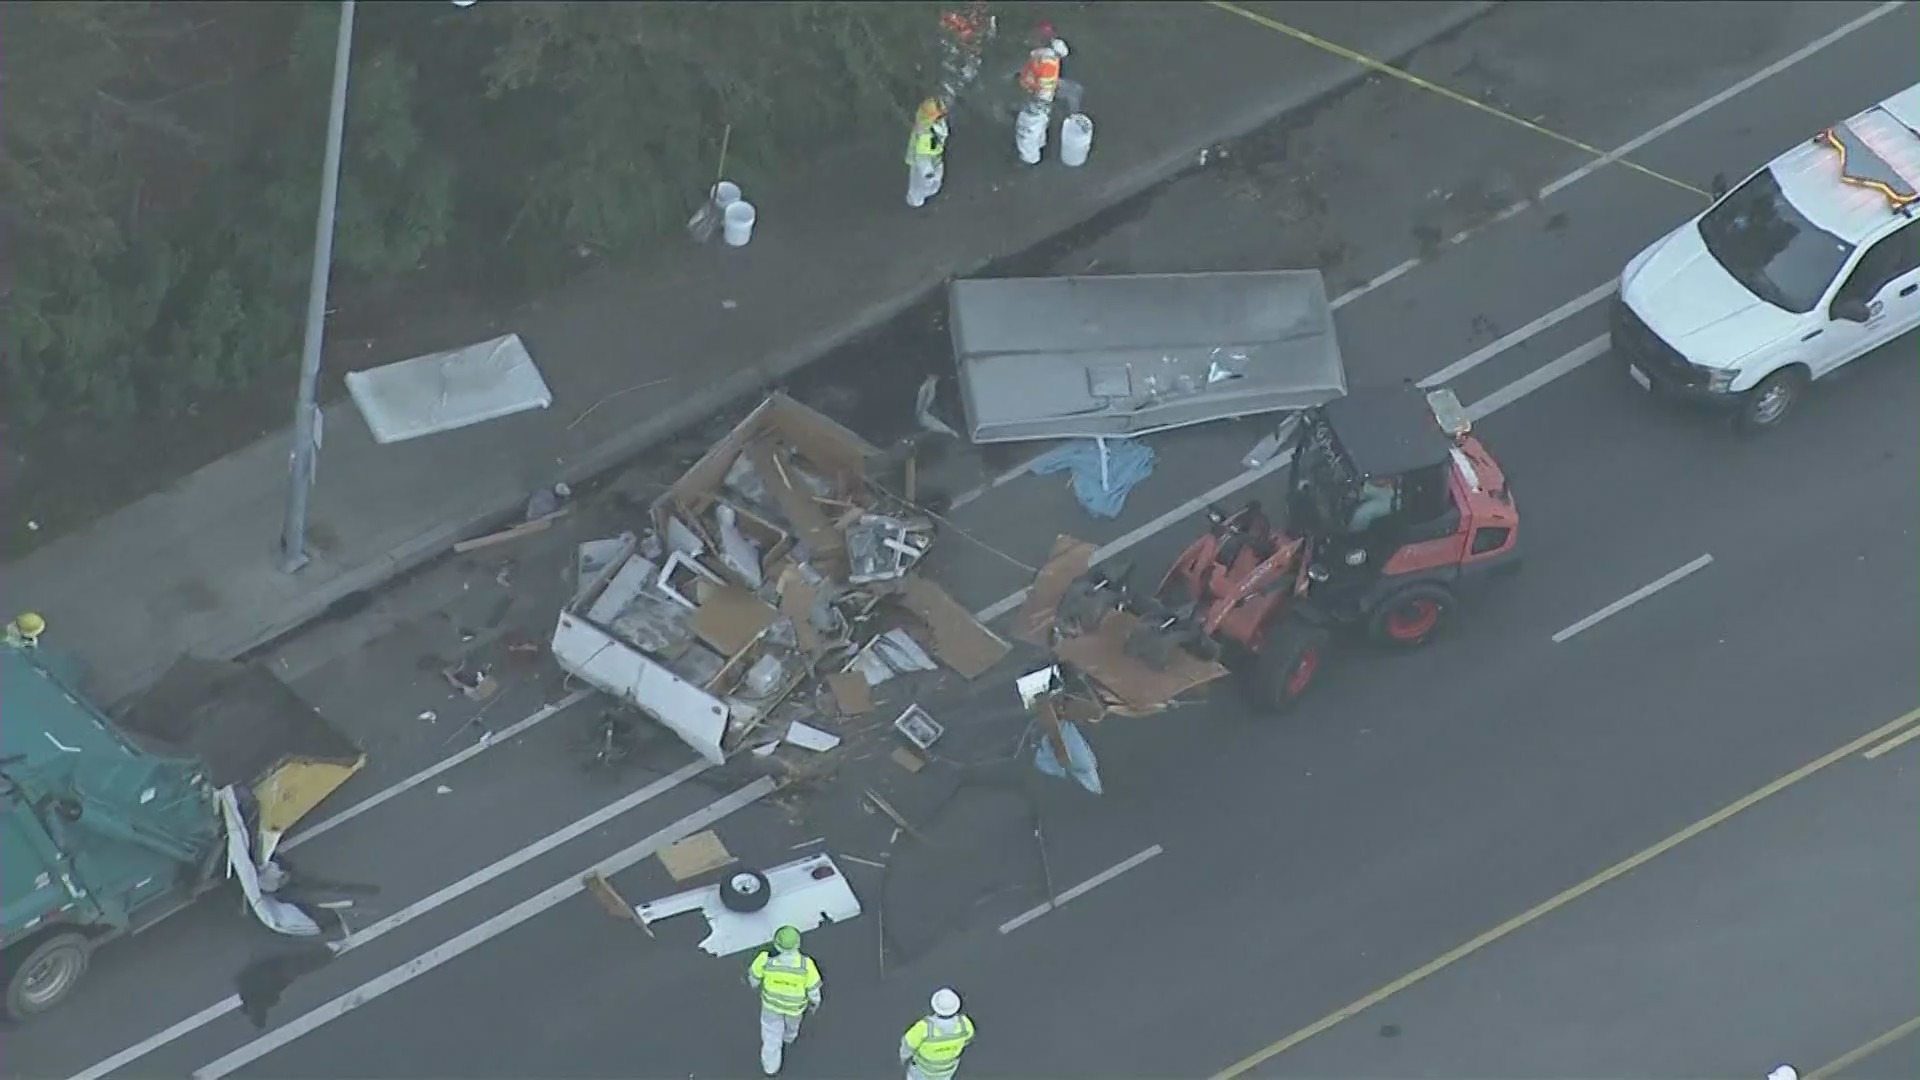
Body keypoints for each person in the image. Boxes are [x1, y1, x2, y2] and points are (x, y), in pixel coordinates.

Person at [746, 925, 822, 1076]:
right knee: (792, 1025)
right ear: (798, 944)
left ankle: (771, 1066)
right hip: (795, 1008)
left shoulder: (765, 959)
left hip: (771, 1005)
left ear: (776, 943)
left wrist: (754, 984)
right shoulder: (806, 965)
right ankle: (789, 1037)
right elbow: (813, 990)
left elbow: (753, 979)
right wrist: (815, 1003)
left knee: (771, 1032)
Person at [1013, 37, 1068, 165]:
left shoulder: (1045, 61)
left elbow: (1044, 89)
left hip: (1035, 103)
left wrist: (1035, 105)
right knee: (1038, 127)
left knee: (1026, 133)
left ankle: (1028, 160)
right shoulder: (1045, 56)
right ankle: (1040, 145)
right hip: (1039, 101)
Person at [900, 987, 975, 1080]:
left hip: (921, 1071)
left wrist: (902, 1060)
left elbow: (907, 1047)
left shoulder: (924, 1027)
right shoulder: (965, 1024)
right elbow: (967, 1040)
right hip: (946, 1071)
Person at [906, 97, 950, 209]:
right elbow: (922, 157)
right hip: (923, 164)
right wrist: (927, 173)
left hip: (934, 158)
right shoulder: (926, 133)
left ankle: (926, 194)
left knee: (933, 185)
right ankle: (914, 202)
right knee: (920, 187)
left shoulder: (931, 123)